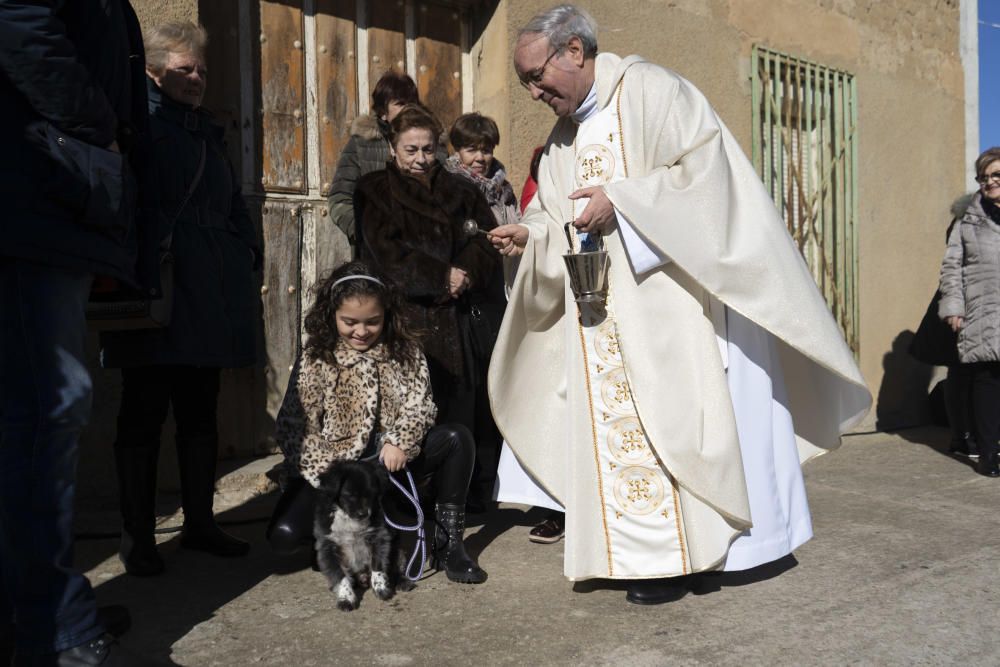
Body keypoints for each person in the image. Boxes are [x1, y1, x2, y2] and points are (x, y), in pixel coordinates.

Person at [487, 4, 871, 605]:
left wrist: (624, 202)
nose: (534, 92)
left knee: (679, 428)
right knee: (628, 432)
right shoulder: (564, 139)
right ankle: (650, 558)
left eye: (538, 76)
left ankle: (693, 555)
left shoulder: (651, 91)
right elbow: (551, 212)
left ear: (576, 52)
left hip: (671, 307)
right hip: (602, 317)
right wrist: (530, 237)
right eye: (525, 83)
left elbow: (706, 175)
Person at [0, 0, 154, 663]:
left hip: (48, 203)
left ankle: (39, 606)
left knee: (38, 409)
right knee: (47, 408)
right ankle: (52, 624)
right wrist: (100, 128)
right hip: (33, 201)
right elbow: (18, 19)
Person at [101, 22, 259, 576]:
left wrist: (247, 250)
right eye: (184, 69)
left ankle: (200, 523)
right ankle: (138, 537)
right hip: (159, 285)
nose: (196, 79)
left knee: (200, 410)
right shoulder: (139, 126)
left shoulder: (205, 132)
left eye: (202, 71)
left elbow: (230, 204)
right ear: (153, 71)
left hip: (209, 290)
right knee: (144, 411)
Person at [273, 261, 487, 583]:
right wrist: (335, 477)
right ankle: (332, 541)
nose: (361, 332)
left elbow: (422, 405)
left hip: (389, 468)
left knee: (457, 438)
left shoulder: (406, 351)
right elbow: (293, 427)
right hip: (338, 471)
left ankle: (449, 546)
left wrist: (400, 439)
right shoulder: (317, 356)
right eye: (350, 322)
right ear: (332, 315)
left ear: (386, 314)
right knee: (284, 533)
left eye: (372, 322)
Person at [354, 104, 503, 511]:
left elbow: (485, 240)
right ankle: (408, 503)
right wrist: (441, 276)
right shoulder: (373, 191)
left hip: (458, 325)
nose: (421, 159)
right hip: (406, 325)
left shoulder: (463, 191)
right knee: (409, 417)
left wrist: (465, 273)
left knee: (461, 416)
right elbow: (386, 256)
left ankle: (457, 507)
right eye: (410, 150)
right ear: (392, 148)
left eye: (427, 149)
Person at [442, 112, 516, 507]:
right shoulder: (447, 187)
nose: (481, 157)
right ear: (457, 149)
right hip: (464, 301)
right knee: (463, 398)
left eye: (486, 149)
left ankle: (489, 484)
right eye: (472, 148)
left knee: (494, 393)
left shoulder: (503, 189)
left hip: (497, 299)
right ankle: (463, 487)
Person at [938, 147, 1000, 477]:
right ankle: (991, 453)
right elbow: (951, 267)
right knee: (986, 382)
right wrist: (953, 307)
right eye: (984, 177)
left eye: (996, 175)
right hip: (983, 309)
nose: (990, 182)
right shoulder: (968, 220)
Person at [328, 71, 421, 246]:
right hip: (376, 251)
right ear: (383, 112)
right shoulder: (362, 144)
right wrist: (364, 232)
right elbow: (339, 197)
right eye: (400, 104)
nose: (409, 110)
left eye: (412, 104)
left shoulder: (433, 147)